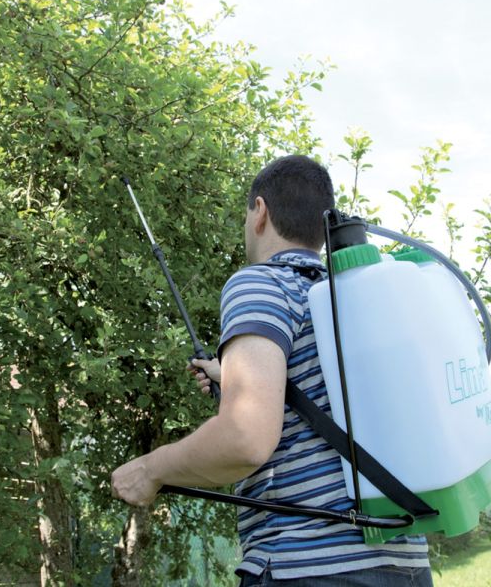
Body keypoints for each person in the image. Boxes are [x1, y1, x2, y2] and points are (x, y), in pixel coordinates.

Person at [111, 155, 433, 586]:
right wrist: (238, 377)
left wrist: (151, 469)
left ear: (260, 212)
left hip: (308, 567)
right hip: (406, 565)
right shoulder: (348, 297)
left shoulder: (260, 283)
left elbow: (244, 440)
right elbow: (327, 394)